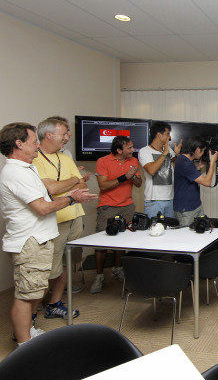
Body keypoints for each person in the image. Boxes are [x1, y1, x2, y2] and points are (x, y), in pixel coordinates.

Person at [0, 123, 96, 345]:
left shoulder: (28, 167)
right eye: (33, 142)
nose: (37, 145)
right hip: (29, 241)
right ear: (19, 144)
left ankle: (28, 331)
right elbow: (42, 207)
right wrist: (72, 199)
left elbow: (46, 198)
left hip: (40, 239)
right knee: (25, 296)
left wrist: (69, 193)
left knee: (34, 291)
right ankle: (24, 344)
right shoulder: (16, 172)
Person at [33, 118, 92, 318]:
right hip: (53, 220)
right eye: (64, 134)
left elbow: (83, 188)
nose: (67, 138)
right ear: (49, 135)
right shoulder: (34, 159)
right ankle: (32, 310)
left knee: (67, 263)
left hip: (74, 216)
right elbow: (51, 188)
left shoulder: (65, 158)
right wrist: (74, 180)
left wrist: (71, 183)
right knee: (50, 267)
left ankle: (54, 303)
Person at [91, 136, 142, 294]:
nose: (133, 150)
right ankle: (99, 276)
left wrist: (133, 176)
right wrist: (124, 177)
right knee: (101, 243)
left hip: (127, 206)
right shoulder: (103, 161)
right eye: (129, 148)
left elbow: (139, 184)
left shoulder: (133, 161)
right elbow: (103, 185)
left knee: (123, 240)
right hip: (108, 207)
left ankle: (117, 268)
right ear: (119, 150)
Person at [138, 121, 182, 218]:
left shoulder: (169, 150)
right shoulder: (144, 151)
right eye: (167, 134)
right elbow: (151, 170)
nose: (169, 137)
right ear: (158, 135)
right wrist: (164, 153)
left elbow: (174, 170)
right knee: (154, 231)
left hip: (170, 199)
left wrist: (177, 155)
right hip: (154, 201)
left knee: (170, 231)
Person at [173, 139, 218, 226]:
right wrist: (212, 162)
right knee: (188, 237)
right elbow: (207, 182)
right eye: (203, 151)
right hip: (186, 209)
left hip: (195, 205)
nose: (203, 154)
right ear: (197, 150)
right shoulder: (185, 163)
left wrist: (198, 168)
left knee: (200, 231)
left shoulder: (184, 160)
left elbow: (188, 176)